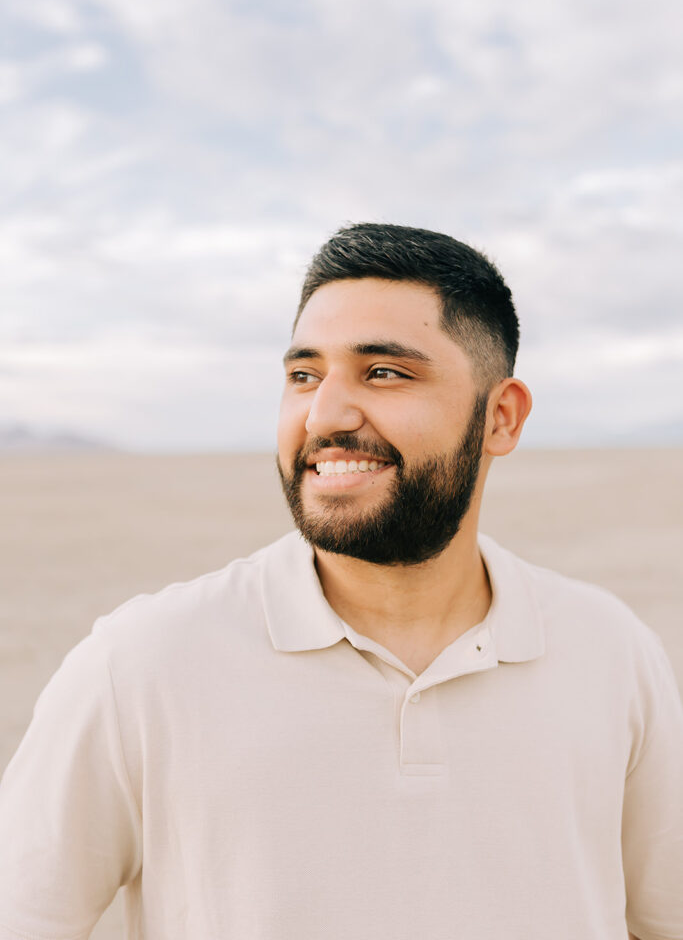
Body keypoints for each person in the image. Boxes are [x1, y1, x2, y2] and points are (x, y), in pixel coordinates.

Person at [0, 223, 681, 940]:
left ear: (500, 417)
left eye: (384, 372)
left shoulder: (609, 649)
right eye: (303, 375)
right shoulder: (141, 664)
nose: (323, 414)